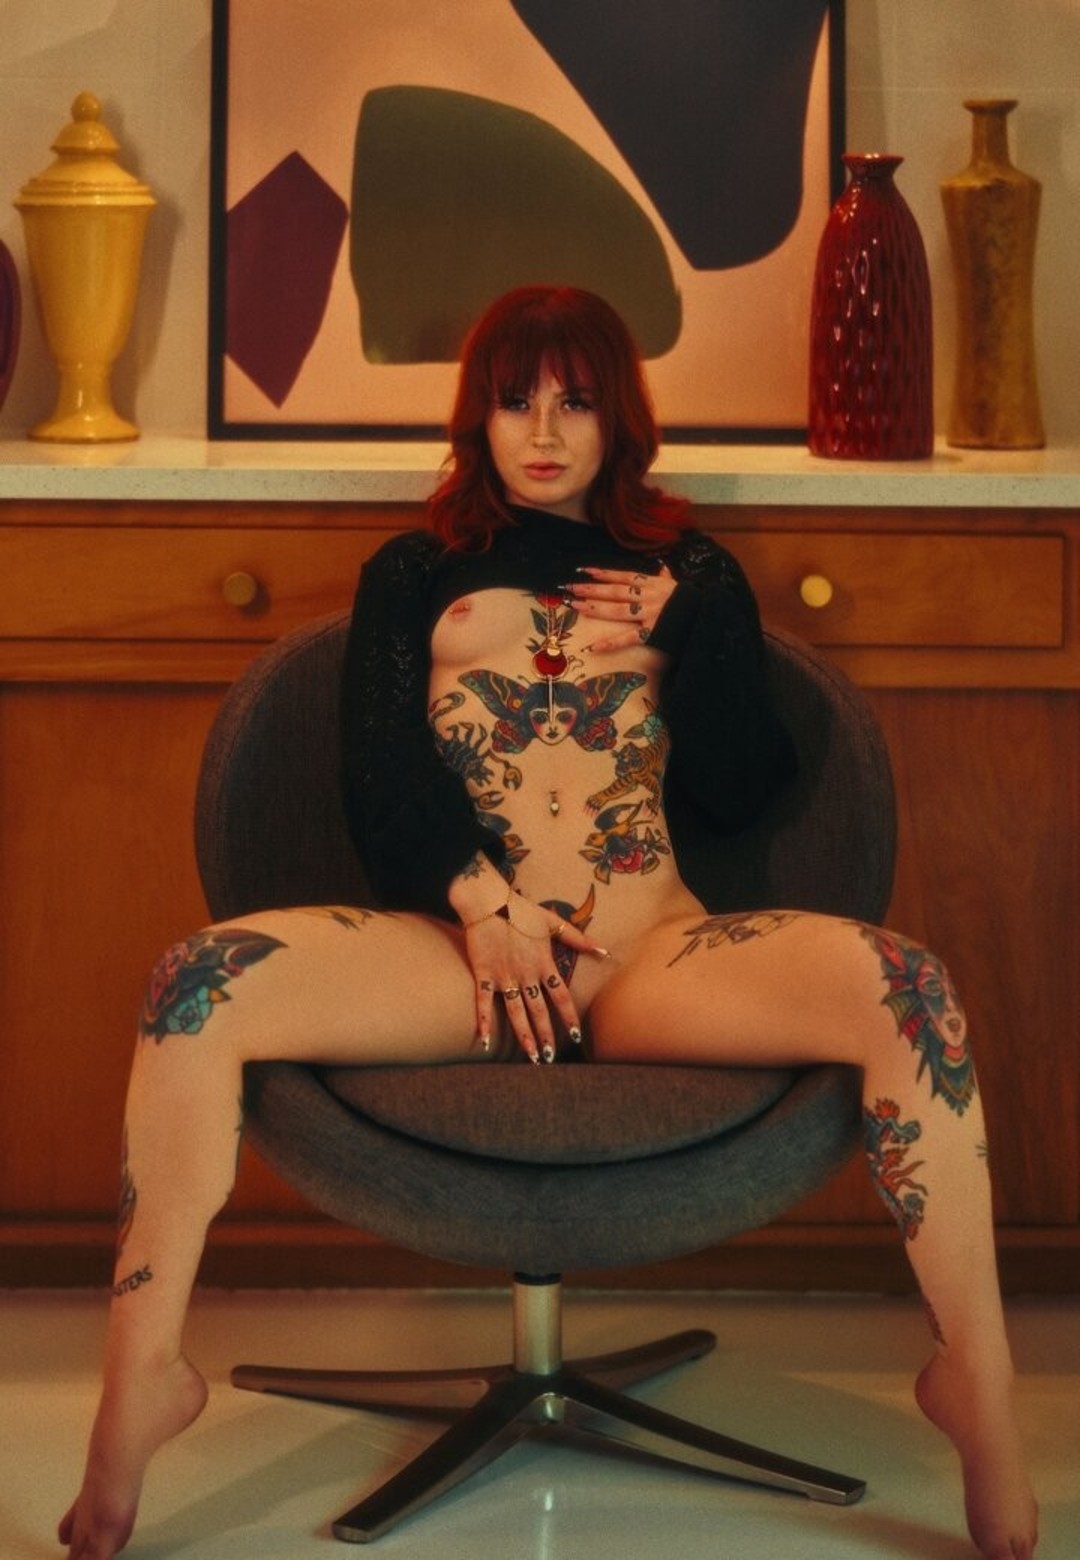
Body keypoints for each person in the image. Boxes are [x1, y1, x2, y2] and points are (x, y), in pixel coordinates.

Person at [60, 285, 1037, 1560]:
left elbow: (743, 785)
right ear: (478, 416)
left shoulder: (690, 574)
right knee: (193, 985)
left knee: (914, 991)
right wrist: (481, 905)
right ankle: (143, 1378)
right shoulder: (414, 572)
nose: (542, 429)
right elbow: (376, 776)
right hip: (456, 953)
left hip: (649, 952)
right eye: (514, 399)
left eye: (574, 400)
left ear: (618, 418)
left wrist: (701, 630)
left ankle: (977, 1381)